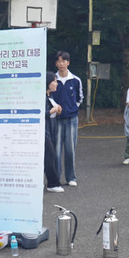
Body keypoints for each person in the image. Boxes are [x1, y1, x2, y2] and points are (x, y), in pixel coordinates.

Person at [50, 51, 83, 186]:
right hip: (56, 120)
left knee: (70, 149)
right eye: (59, 61)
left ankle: (71, 178)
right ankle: (56, 178)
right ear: (56, 63)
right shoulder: (52, 80)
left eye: (64, 61)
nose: (61, 63)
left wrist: (71, 109)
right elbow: (49, 97)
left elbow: (80, 98)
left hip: (71, 119)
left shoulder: (75, 80)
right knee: (56, 151)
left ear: (68, 62)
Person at [44, 72, 64, 193]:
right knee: (50, 156)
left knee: (48, 156)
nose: (56, 84)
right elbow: (41, 113)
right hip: (43, 132)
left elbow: (51, 114)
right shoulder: (41, 97)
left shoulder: (50, 97)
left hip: (50, 130)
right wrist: (52, 110)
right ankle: (52, 183)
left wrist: (57, 111)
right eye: (54, 81)